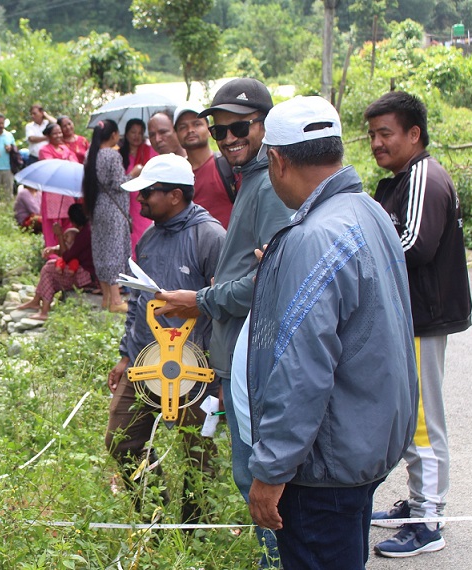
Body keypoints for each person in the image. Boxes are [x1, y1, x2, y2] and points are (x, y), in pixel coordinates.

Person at [246, 95, 417, 570]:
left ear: (277, 161)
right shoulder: (369, 212)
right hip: (363, 449)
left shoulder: (314, 236)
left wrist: (273, 467)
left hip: (322, 467)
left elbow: (302, 369)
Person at [156, 78, 292, 567]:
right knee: (249, 473)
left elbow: (274, 278)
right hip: (236, 353)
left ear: (266, 125)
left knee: (261, 479)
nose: (229, 138)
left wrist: (203, 299)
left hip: (253, 355)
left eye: (241, 127)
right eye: (221, 130)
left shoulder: (271, 184)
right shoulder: (253, 178)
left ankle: (276, 562)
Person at [365, 90, 472, 558]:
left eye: (385, 133)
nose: (376, 143)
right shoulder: (395, 181)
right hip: (405, 316)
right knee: (411, 416)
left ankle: (429, 521)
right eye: (371, 135)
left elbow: (413, 244)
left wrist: (356, 259)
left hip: (422, 318)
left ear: (414, 134)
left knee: (424, 421)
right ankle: (416, 502)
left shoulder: (425, 175)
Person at [107, 153, 225, 523]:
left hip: (193, 367)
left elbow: (229, 306)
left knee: (197, 457)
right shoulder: (150, 240)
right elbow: (139, 300)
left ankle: (196, 533)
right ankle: (153, 519)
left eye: (148, 193)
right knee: (121, 441)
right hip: (145, 363)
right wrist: (127, 355)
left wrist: (222, 374)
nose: (140, 200)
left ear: (175, 195)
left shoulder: (211, 237)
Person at [82, 119, 130, 313]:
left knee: (101, 249)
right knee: (115, 250)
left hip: (97, 206)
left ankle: (106, 298)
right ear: (113, 136)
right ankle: (116, 301)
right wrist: (135, 173)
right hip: (113, 208)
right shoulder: (112, 155)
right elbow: (120, 183)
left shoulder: (90, 155)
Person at [16, 204, 94, 320]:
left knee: (48, 269)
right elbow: (69, 251)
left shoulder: (85, 234)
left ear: (73, 220)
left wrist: (59, 235)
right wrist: (55, 248)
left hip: (85, 275)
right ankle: (37, 301)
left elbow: (67, 256)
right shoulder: (86, 230)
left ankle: (44, 311)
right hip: (82, 271)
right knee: (50, 266)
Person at [174, 102, 235, 228]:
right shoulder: (175, 177)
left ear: (209, 130)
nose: (190, 130)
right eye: (183, 127)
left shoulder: (228, 165)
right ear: (176, 134)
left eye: (197, 124)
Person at [38, 123, 81, 250]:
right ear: (48, 136)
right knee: (53, 225)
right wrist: (66, 162)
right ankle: (52, 254)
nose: (58, 135)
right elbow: (52, 167)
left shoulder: (66, 149)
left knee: (68, 222)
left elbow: (75, 165)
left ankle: (68, 251)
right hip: (52, 193)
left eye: (59, 132)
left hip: (66, 191)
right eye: (55, 133)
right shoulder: (44, 150)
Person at [119, 118, 156, 256]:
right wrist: (132, 173)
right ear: (126, 134)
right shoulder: (119, 155)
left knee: (145, 230)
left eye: (140, 133)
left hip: (146, 197)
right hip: (126, 200)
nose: (136, 136)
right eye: (133, 132)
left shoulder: (150, 151)